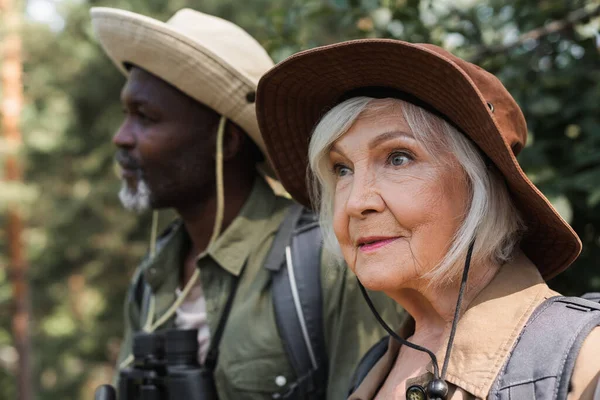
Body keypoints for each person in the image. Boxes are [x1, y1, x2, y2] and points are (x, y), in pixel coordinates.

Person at [255, 39, 600, 399]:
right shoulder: (377, 363)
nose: (357, 202)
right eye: (342, 169)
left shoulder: (584, 357)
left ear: (480, 186)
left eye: (398, 158)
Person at [89, 9, 403, 399]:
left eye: (146, 117)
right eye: (126, 115)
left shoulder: (325, 259)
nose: (122, 137)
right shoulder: (153, 278)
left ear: (225, 142)